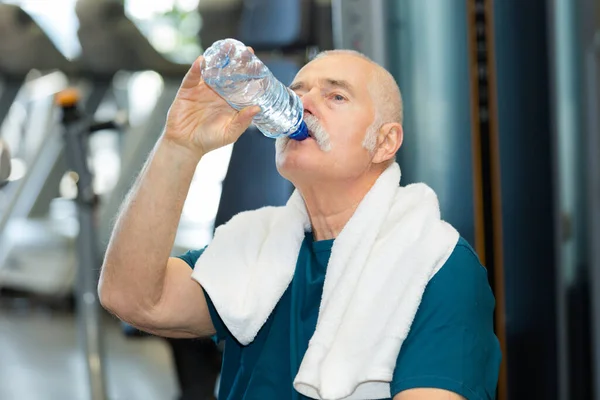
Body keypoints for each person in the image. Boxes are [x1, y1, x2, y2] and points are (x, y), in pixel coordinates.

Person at [98, 48, 502, 400]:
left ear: (384, 143)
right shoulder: (256, 245)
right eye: (297, 90)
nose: (303, 103)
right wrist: (178, 144)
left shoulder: (437, 265)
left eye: (336, 95)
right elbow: (131, 298)